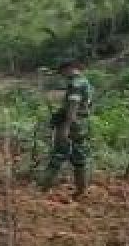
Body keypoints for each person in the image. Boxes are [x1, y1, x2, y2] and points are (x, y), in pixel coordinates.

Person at [40, 59, 94, 199]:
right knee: (79, 156)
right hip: (81, 123)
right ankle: (81, 190)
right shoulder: (84, 82)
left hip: (72, 124)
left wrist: (65, 127)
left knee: (59, 153)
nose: (63, 75)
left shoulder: (75, 84)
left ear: (70, 68)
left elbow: (72, 108)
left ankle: (44, 188)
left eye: (63, 71)